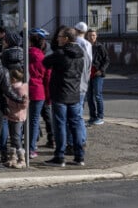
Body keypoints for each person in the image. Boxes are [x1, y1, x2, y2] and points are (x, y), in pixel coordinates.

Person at [42, 26, 87, 168]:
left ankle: (59, 156)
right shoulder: (81, 53)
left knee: (60, 125)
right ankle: (79, 156)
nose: (57, 38)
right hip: (74, 93)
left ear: (66, 39)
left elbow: (45, 62)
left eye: (60, 36)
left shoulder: (60, 53)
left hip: (60, 93)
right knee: (76, 124)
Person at [27, 29, 52, 159]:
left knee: (22, 120)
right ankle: (31, 148)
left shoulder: (25, 55)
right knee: (34, 120)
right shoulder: (43, 58)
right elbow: (47, 79)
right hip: (38, 91)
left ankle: (22, 146)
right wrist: (48, 97)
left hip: (25, 90)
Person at [4, 68, 30, 168]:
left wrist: (12, 105)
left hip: (17, 115)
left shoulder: (18, 89)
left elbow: (24, 104)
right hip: (13, 115)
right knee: (13, 137)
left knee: (15, 137)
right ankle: (13, 158)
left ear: (14, 79)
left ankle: (21, 158)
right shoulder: (20, 87)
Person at [86, 28, 109, 125]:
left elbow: (107, 60)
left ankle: (100, 117)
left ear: (96, 36)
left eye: (93, 35)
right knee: (89, 97)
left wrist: (101, 70)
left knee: (98, 95)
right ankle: (92, 116)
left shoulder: (100, 47)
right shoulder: (85, 46)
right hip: (87, 75)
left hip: (97, 74)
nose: (92, 37)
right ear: (87, 36)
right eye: (90, 35)